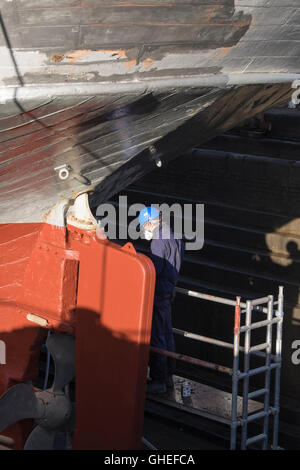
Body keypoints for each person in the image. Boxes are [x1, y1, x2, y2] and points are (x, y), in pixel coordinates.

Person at [138, 206, 185, 394]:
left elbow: (154, 270)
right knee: (167, 335)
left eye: (144, 227)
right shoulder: (175, 237)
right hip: (168, 292)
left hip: (158, 294)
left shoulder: (158, 241)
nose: (145, 231)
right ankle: (168, 377)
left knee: (157, 337)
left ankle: (157, 380)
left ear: (149, 223)